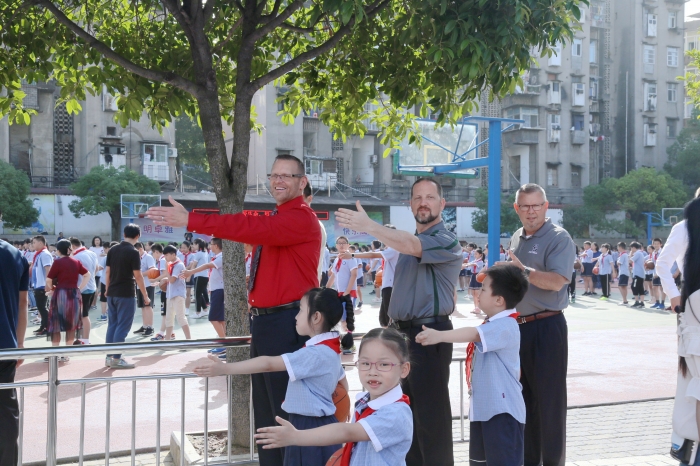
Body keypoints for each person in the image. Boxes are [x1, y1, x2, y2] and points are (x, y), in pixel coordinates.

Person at [147, 154, 321, 466]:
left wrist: (193, 220)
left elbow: (245, 226)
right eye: (274, 175)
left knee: (286, 417)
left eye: (287, 176)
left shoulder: (300, 218)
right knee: (268, 417)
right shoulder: (280, 218)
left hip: (289, 324)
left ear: (302, 182)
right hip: (269, 323)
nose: (278, 181)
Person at [335, 177, 462, 466]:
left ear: (442, 204)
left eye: (430, 197)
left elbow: (411, 243)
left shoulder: (446, 239)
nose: (423, 202)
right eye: (417, 197)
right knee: (406, 417)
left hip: (429, 334)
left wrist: (370, 226)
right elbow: (404, 244)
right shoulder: (404, 247)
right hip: (403, 338)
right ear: (410, 204)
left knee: (432, 421)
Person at [195, 288, 346, 465]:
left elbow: (268, 363)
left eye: (301, 310)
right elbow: (343, 383)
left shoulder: (314, 354)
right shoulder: (331, 349)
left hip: (308, 425)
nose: (296, 316)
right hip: (320, 424)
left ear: (316, 317)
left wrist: (224, 368)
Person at [416, 263, 529, 466]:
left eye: (484, 289)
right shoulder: (494, 324)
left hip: (502, 413)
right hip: (485, 411)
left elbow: (474, 333)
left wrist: (439, 336)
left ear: (499, 300)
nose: (478, 292)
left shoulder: (505, 325)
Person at [496, 183, 575, 466]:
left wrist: (523, 271)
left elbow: (556, 282)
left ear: (546, 206)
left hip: (547, 327)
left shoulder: (558, 238)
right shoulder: (517, 237)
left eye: (536, 205)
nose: (531, 211)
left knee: (549, 405)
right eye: (524, 206)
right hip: (519, 328)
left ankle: (553, 462)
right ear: (517, 209)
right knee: (524, 402)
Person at [253, 327, 413, 466]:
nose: (373, 371)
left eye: (384, 364)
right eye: (365, 363)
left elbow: (347, 432)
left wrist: (296, 436)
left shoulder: (396, 413)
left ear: (404, 369)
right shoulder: (365, 401)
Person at [655, 196, 700, 466]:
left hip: (691, 307)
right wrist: (673, 296)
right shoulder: (685, 227)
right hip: (692, 307)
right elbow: (663, 263)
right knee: (692, 383)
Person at [104, 224, 151, 369]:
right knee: (123, 325)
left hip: (112, 292)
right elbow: (138, 276)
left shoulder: (113, 249)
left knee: (112, 324)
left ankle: (108, 356)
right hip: (125, 293)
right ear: (138, 236)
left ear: (124, 234)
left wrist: (107, 289)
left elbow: (107, 272)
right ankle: (116, 358)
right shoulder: (133, 252)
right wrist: (145, 295)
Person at [0, 231, 29, 466]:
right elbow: (23, 303)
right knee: (6, 410)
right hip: (6, 346)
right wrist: (19, 344)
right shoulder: (15, 254)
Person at [45, 239, 91, 358]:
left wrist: (53, 288)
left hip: (60, 294)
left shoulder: (57, 262)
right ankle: (66, 354)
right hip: (74, 294)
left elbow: (48, 280)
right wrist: (79, 288)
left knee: (56, 324)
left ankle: (55, 353)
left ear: (59, 250)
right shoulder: (76, 262)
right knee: (71, 325)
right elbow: (87, 275)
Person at [181, 237, 226, 342]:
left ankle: (224, 342)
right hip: (216, 289)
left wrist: (190, 272)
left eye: (211, 244)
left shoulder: (221, 257)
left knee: (214, 318)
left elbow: (207, 265)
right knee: (221, 319)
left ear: (215, 246)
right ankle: (225, 343)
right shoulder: (215, 256)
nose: (209, 246)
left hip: (219, 290)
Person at [156, 245, 191, 341]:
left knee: (180, 318)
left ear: (173, 254)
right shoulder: (173, 264)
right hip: (171, 294)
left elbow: (172, 280)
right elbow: (171, 279)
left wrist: (166, 269)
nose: (165, 258)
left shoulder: (178, 265)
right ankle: (167, 340)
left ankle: (189, 340)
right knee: (169, 319)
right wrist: (160, 282)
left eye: (166, 255)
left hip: (178, 295)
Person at [69, 237, 98, 344]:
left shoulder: (76, 256)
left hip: (82, 288)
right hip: (91, 286)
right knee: (82, 315)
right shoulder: (92, 253)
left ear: (73, 246)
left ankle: (85, 339)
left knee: (83, 315)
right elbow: (96, 269)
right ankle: (82, 338)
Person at [29, 235, 53, 336]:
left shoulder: (44, 254)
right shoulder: (39, 254)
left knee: (42, 307)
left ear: (40, 243)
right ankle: (43, 326)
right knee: (41, 307)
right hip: (38, 284)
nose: (32, 244)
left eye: (34, 242)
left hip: (43, 285)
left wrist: (48, 284)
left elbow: (48, 269)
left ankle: (48, 328)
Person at [133, 242, 156, 337]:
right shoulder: (138, 258)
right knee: (142, 306)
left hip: (148, 285)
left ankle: (150, 327)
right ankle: (145, 326)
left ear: (140, 249)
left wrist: (139, 275)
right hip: (140, 285)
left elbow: (152, 270)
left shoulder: (148, 257)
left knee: (148, 306)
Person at [191, 239, 211, 319]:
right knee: (200, 293)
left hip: (199, 276)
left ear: (198, 245)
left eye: (194, 244)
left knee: (197, 294)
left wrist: (190, 273)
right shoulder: (206, 253)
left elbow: (194, 265)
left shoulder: (198, 253)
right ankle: (205, 310)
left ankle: (198, 312)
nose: (193, 246)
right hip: (205, 276)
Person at [465, 248, 486, 315]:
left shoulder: (480, 261)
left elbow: (473, 264)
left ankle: (479, 308)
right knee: (473, 293)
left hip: (478, 276)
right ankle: (476, 307)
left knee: (477, 293)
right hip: (473, 276)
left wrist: (467, 264)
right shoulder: (475, 260)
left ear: (480, 255)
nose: (475, 255)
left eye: (476, 254)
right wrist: (465, 265)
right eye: (474, 254)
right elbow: (471, 263)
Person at [629, 242, 647, 308]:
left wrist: (630, 254)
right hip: (640, 273)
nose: (631, 249)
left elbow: (630, 261)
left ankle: (637, 301)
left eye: (631, 247)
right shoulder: (640, 253)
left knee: (634, 286)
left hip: (638, 273)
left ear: (634, 247)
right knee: (640, 287)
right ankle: (641, 302)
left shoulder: (638, 253)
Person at [651, 238, 666, 309]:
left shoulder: (663, 252)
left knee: (662, 288)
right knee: (654, 287)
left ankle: (662, 303)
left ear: (661, 244)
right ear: (653, 244)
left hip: (662, 272)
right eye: (655, 244)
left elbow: (664, 263)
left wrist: (659, 273)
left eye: (657, 244)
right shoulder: (654, 253)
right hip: (655, 272)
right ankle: (657, 302)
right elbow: (653, 263)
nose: (656, 245)